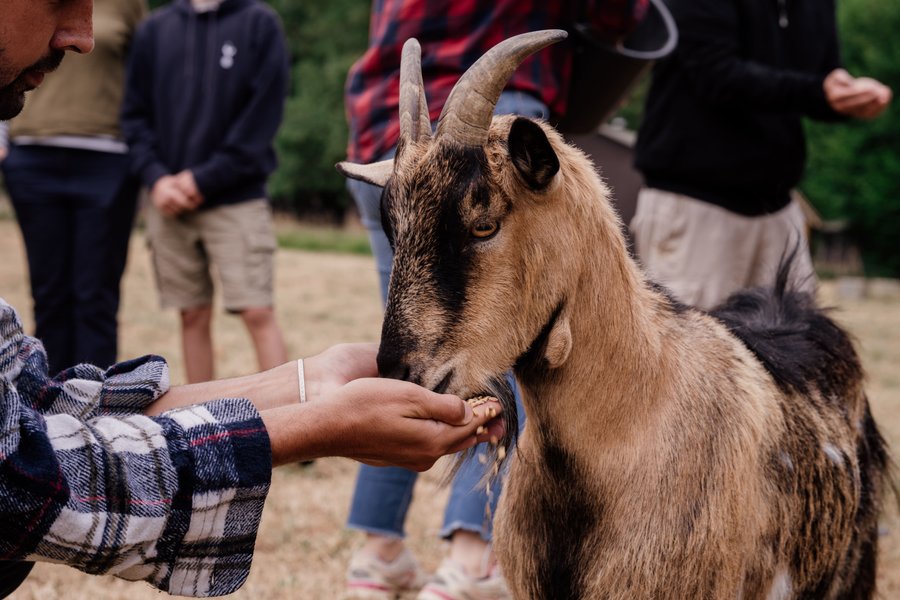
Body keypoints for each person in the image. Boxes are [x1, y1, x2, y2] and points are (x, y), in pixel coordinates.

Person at [0, 3, 505, 597]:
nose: (85, 38)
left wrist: (306, 385)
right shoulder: (160, 31)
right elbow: (21, 477)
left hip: (230, 187)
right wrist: (317, 427)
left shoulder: (255, 25)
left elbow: (35, 406)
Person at [341, 2, 648, 598]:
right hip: (488, 132)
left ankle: (378, 552)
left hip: (393, 135)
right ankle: (472, 556)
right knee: (497, 344)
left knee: (412, 352)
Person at [631, 0, 893, 311]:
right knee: (684, 340)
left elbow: (819, 78)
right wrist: (817, 91)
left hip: (778, 209)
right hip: (694, 208)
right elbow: (717, 75)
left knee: (797, 339)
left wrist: (847, 95)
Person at [120, 0, 290, 384]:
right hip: (167, 200)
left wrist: (204, 179)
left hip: (237, 198)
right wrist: (156, 178)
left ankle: (292, 409)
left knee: (257, 311)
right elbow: (133, 116)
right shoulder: (154, 30)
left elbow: (261, 121)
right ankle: (202, 412)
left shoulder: (259, 24)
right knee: (191, 314)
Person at [0, 0, 146, 376]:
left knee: (96, 296)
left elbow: (147, 75)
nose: (82, 38)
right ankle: (47, 395)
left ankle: (98, 397)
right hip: (33, 156)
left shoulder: (129, 4)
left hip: (107, 157)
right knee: (49, 295)